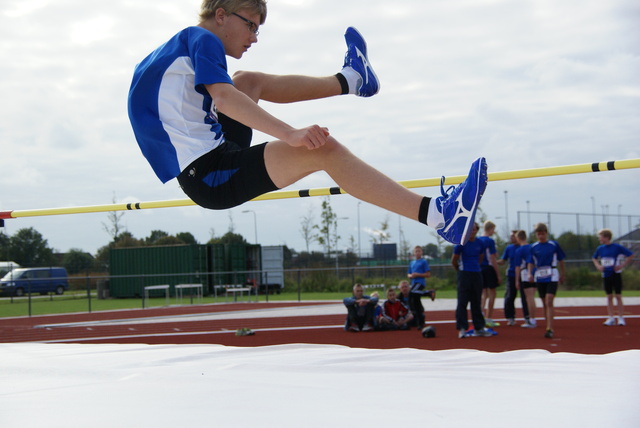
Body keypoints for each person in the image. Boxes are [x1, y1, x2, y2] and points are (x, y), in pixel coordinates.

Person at [127, 0, 488, 247]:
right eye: (252, 25)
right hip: (209, 174)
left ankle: (351, 79)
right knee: (321, 149)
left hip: (210, 157)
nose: (255, 36)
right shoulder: (202, 39)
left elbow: (177, 106)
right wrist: (290, 133)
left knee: (248, 80)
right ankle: (439, 216)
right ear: (221, 15)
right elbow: (223, 98)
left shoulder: (171, 50)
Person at [451, 223, 493, 338]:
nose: (472, 231)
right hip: (464, 274)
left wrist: (475, 268)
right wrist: (460, 270)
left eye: (474, 229)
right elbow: (454, 260)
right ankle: (462, 328)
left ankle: (479, 327)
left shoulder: (481, 243)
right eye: (470, 229)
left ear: (476, 231)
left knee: (476, 301)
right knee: (462, 302)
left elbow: (480, 257)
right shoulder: (460, 243)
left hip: (476, 274)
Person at [527, 223, 565, 339]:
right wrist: (530, 273)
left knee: (549, 300)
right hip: (540, 275)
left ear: (546, 233)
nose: (541, 236)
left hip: (552, 274)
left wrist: (563, 274)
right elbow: (530, 262)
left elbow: (561, 260)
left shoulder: (553, 245)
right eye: (539, 234)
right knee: (544, 302)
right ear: (536, 235)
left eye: (543, 233)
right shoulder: (533, 247)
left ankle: (550, 327)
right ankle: (547, 325)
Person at [592, 229, 634, 326]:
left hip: (616, 274)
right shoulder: (600, 248)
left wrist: (622, 265)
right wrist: (598, 266)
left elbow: (630, 255)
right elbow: (594, 258)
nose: (599, 239)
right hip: (606, 274)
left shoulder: (617, 247)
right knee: (609, 296)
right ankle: (611, 318)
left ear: (606, 237)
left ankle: (621, 318)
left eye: (601, 237)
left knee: (618, 296)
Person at [499, 230, 529, 326]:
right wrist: (492, 261)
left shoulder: (524, 247)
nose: (511, 238)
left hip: (523, 274)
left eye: (513, 236)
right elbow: (503, 260)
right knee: (509, 296)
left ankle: (527, 317)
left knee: (525, 297)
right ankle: (510, 317)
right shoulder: (509, 248)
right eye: (510, 236)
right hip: (511, 275)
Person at [478, 221, 501, 327]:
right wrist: (498, 274)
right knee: (492, 293)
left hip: (479, 268)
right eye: (493, 229)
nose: (494, 231)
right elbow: (492, 258)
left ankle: (481, 315)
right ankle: (489, 317)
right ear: (490, 228)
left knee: (483, 293)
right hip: (488, 268)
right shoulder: (489, 241)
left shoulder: (478, 240)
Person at [407, 245, 436, 329]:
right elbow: (408, 273)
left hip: (420, 282)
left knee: (411, 293)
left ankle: (428, 292)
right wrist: (411, 276)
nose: (417, 253)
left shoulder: (424, 262)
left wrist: (418, 275)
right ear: (414, 253)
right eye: (416, 251)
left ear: (422, 252)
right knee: (416, 303)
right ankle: (420, 322)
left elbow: (428, 274)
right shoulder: (411, 263)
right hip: (413, 282)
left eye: (419, 251)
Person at [513, 230, 537, 328]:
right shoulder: (532, 247)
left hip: (525, 272)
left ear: (518, 238)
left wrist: (516, 280)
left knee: (529, 297)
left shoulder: (519, 250)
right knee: (532, 297)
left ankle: (531, 319)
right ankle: (532, 318)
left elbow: (518, 266)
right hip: (535, 272)